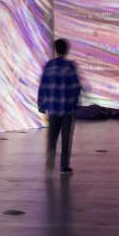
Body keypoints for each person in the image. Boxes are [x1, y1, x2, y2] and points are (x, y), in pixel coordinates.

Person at [37, 38, 82, 173]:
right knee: (66, 138)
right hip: (67, 109)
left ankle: (50, 153)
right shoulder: (70, 67)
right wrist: (75, 103)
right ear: (66, 50)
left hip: (53, 108)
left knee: (52, 135)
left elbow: (43, 86)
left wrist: (41, 104)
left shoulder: (49, 66)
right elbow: (76, 86)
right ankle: (64, 166)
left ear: (56, 50)